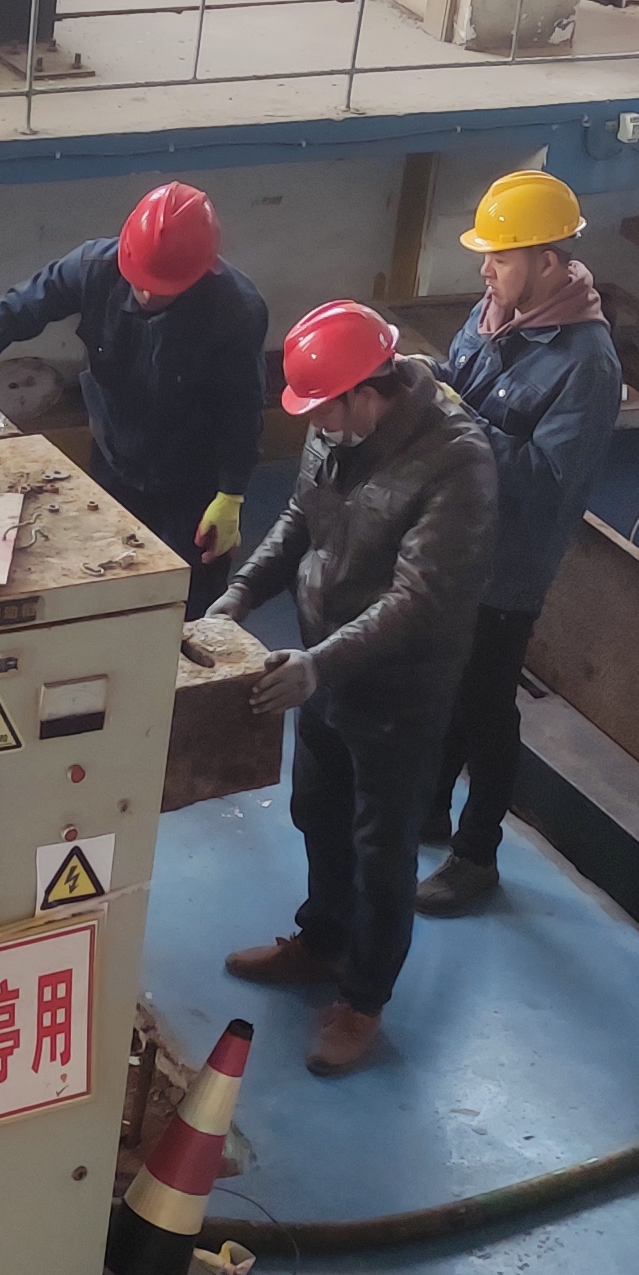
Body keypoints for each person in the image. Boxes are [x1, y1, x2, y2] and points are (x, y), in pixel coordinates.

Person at [202, 302, 497, 1075]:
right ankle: (322, 942)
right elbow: (299, 518)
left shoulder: (456, 462)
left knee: (381, 850)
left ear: (368, 391)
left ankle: (364, 999)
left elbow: (420, 599)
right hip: (325, 669)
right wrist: (240, 594)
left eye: (324, 411)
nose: (315, 426)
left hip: (400, 689)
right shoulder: (334, 428)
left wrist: (318, 666)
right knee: (317, 812)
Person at [421, 168, 628, 917]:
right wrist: (426, 382)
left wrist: (456, 420)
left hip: (507, 566)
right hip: (454, 543)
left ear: (547, 261)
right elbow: (457, 378)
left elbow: (547, 478)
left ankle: (476, 856)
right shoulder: (494, 314)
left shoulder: (587, 365)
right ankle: (427, 810)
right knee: (447, 682)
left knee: (486, 706)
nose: (485, 269)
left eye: (500, 257)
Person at [0, 181, 273, 615]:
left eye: (164, 288)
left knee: (189, 602)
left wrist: (232, 492)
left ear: (200, 273)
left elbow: (242, 406)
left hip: (193, 481)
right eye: (142, 280)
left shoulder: (236, 309)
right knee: (106, 584)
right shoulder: (92, 268)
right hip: (114, 462)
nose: (148, 294)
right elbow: (17, 310)